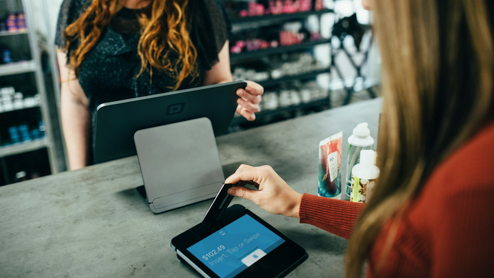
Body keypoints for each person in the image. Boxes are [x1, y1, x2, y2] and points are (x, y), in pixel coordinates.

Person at [226, 0, 494, 277]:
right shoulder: (455, 129)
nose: (365, 3)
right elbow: (407, 229)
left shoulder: (474, 185)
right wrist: (296, 204)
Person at [55, 0, 263, 170]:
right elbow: (75, 98)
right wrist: (79, 175)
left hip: (184, 160)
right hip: (107, 166)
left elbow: (217, 80)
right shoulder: (76, 7)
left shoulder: (201, 6)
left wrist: (232, 97)